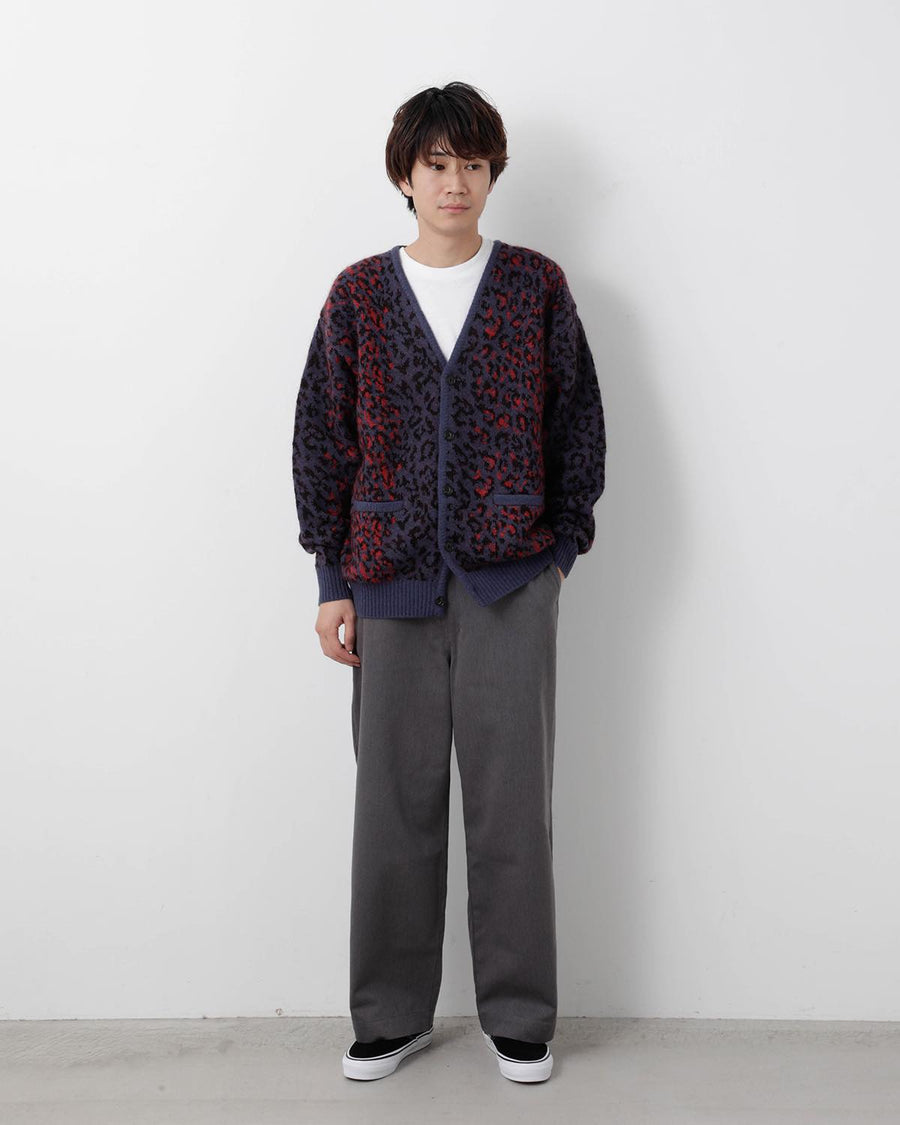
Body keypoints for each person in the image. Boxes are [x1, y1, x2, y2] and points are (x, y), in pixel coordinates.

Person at [291, 81, 606, 1084]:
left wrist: (555, 555)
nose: (455, 182)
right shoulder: (357, 296)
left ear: (491, 173)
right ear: (405, 175)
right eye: (437, 165)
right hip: (386, 586)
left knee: (514, 809)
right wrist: (332, 578)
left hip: (512, 584)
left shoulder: (535, 287)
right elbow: (322, 442)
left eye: (472, 164)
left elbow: (579, 428)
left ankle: (519, 1014)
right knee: (392, 808)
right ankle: (390, 1014)